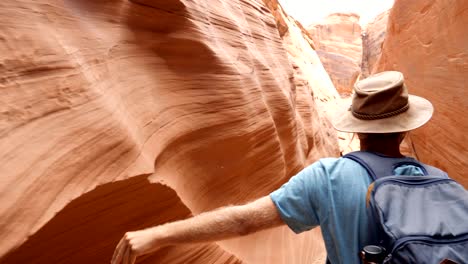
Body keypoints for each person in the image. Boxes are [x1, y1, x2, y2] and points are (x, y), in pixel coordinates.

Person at [111, 71, 437, 264]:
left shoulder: (329, 177)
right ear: (405, 128)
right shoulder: (441, 183)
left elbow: (242, 222)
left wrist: (156, 235)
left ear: (356, 128)